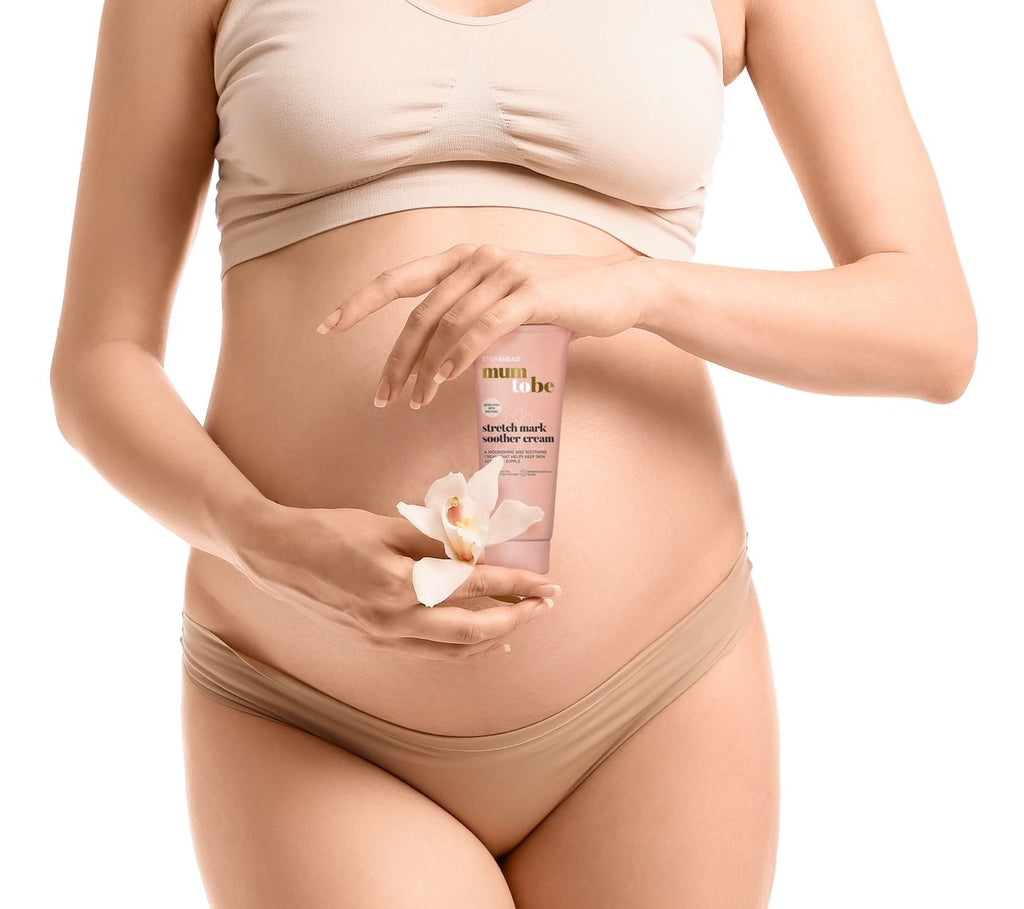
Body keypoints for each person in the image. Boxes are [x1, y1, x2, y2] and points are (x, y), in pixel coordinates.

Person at [50, 0, 977, 904]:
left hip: (654, 695)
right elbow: (98, 361)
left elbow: (929, 329)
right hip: (312, 702)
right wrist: (262, 538)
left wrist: (642, 288)